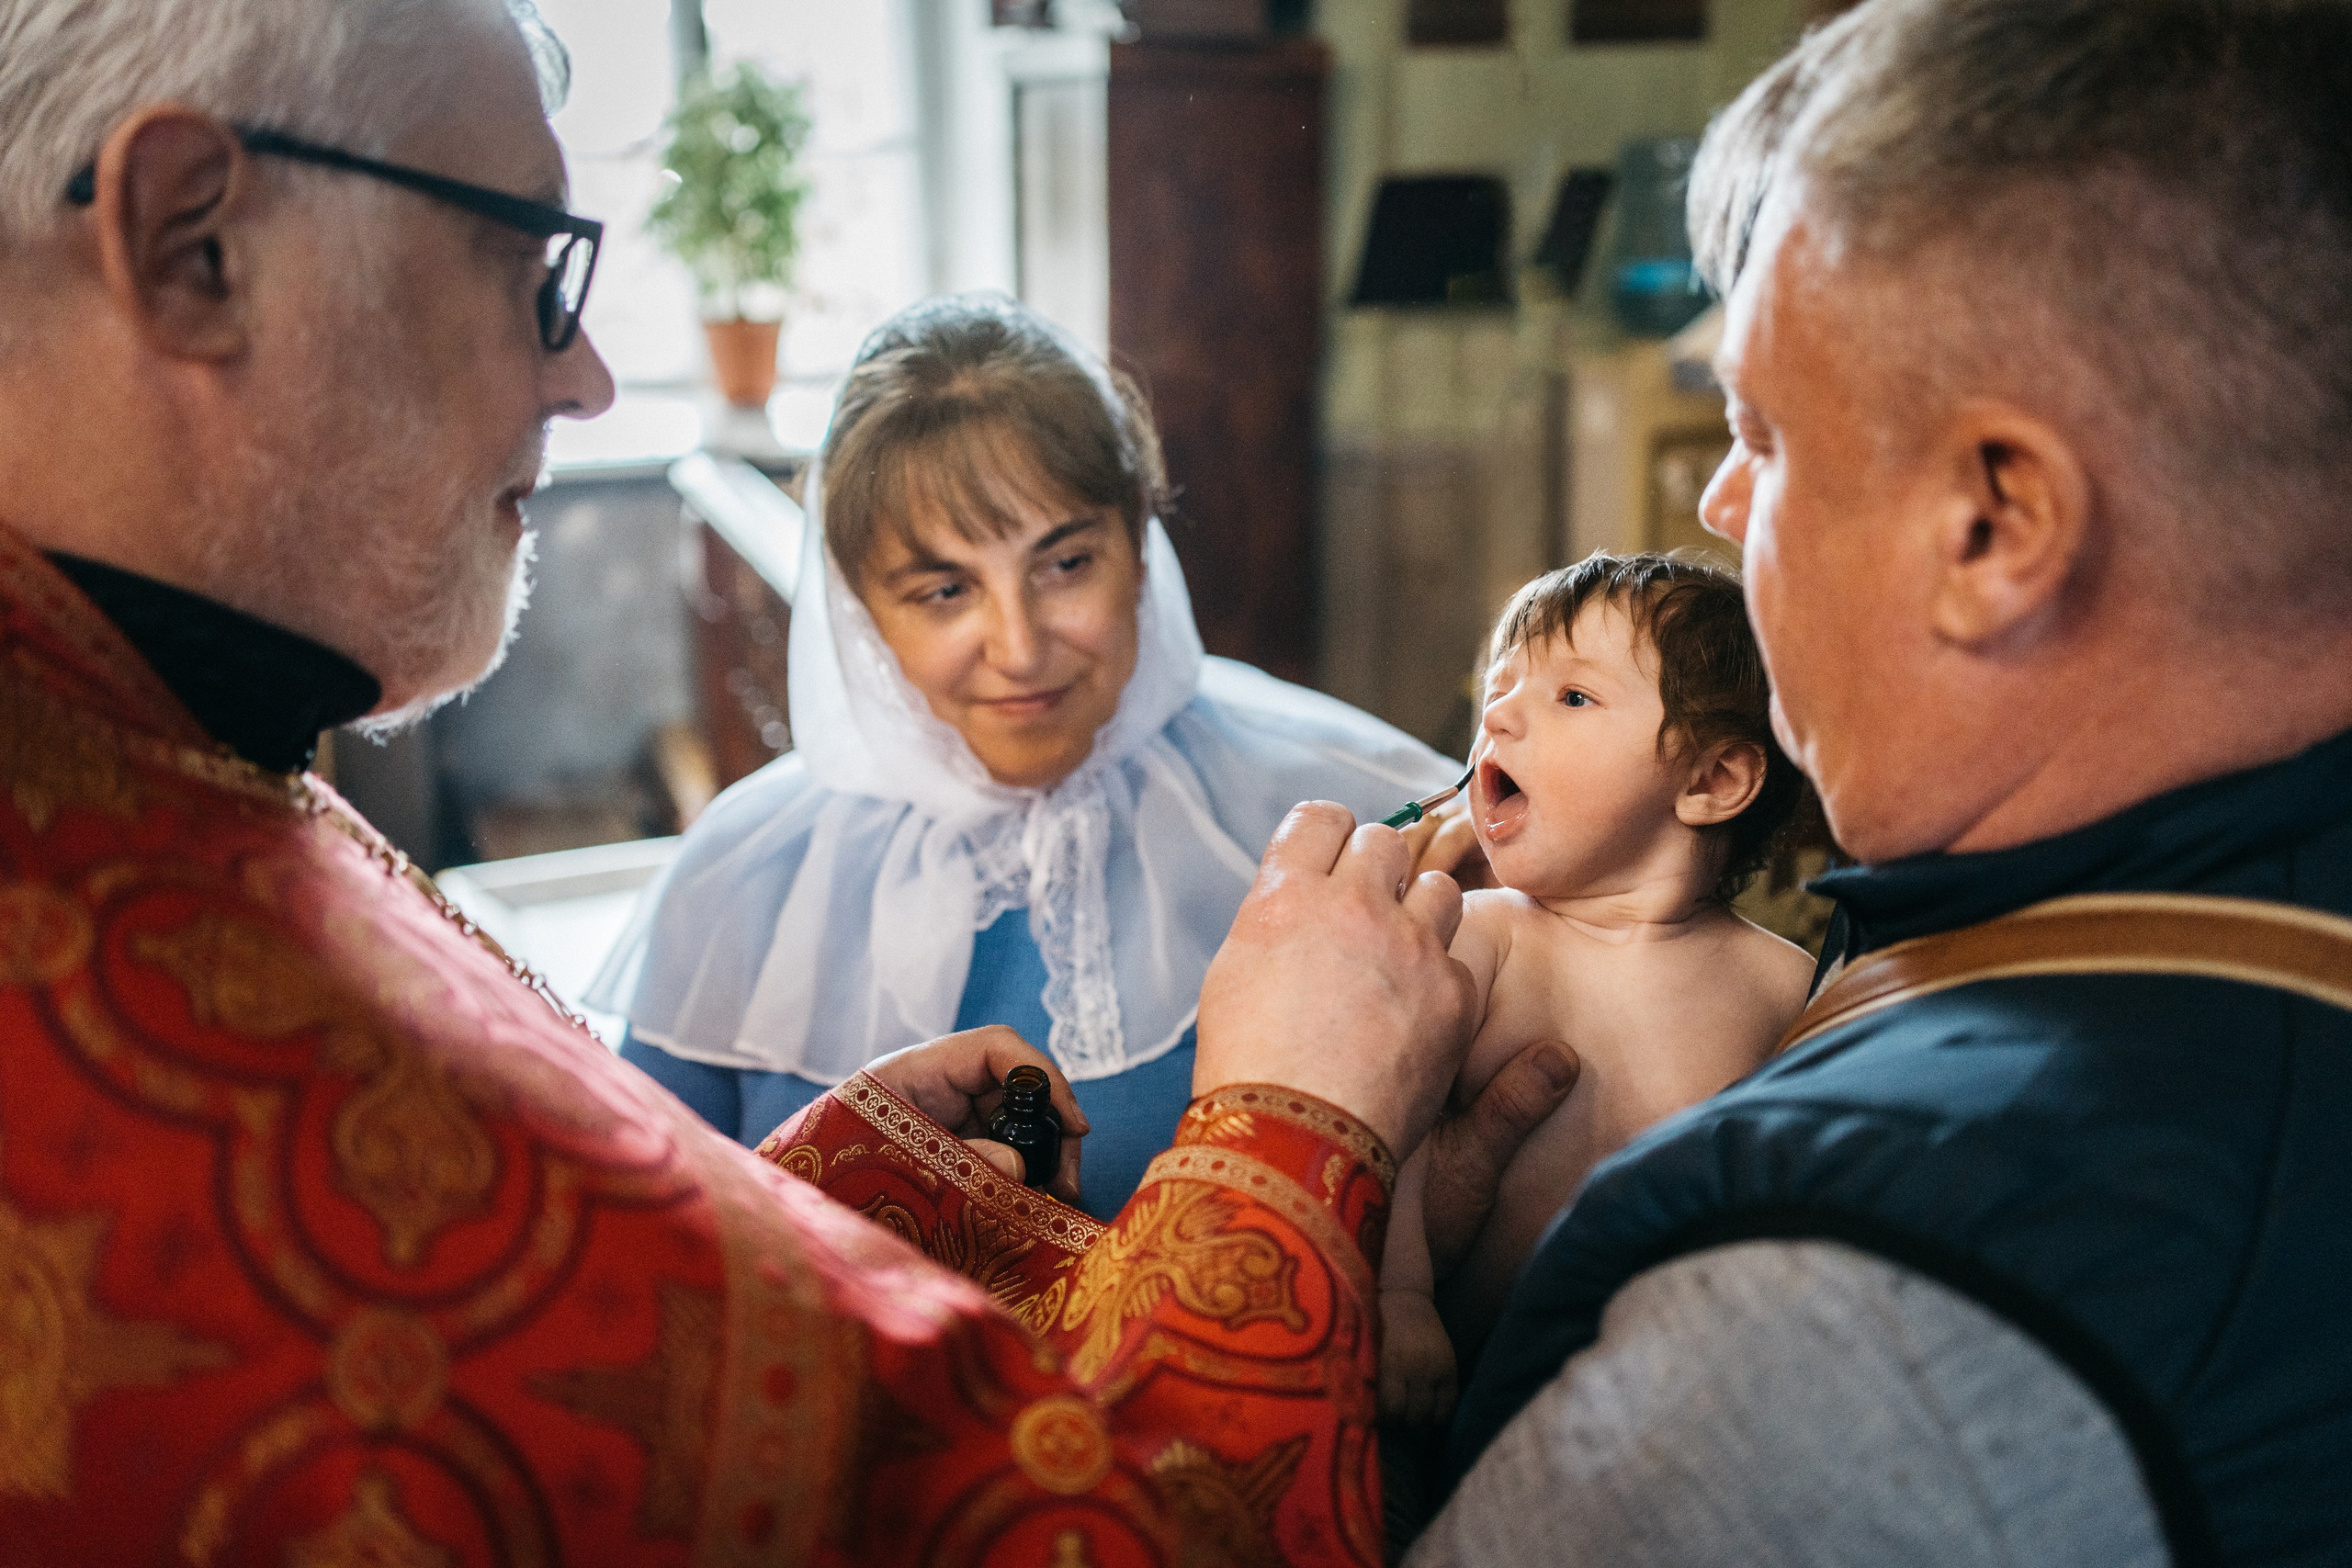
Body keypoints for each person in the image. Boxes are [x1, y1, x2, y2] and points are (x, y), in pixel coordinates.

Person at [0, 3, 1539, 1562]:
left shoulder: (146, 746)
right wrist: (1299, 1122)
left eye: (1066, 561)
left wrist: (831, 1184)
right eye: (533, 271)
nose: (592, 377)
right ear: (193, 241)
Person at [1409, 1, 2352, 1563]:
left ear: (1992, 527)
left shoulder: (1854, 1317)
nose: (1720, 501)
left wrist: (1280, 1152)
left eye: (1767, 437)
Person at [596, 294, 1462, 1220]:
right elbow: (656, 1237)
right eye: (942, 589)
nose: (1017, 646)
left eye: (1064, 566)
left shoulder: (1351, 814)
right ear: (860, 609)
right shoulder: (744, 874)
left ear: (1136, 538)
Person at [1377, 555, 1813, 1430]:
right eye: (1499, 691)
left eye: (1572, 697)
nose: (1496, 716)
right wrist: (1400, 1298)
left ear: (1712, 781)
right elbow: (1389, 1124)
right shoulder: (1480, 935)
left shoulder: (1785, 985)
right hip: (1460, 1398)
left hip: (1681, 1408)